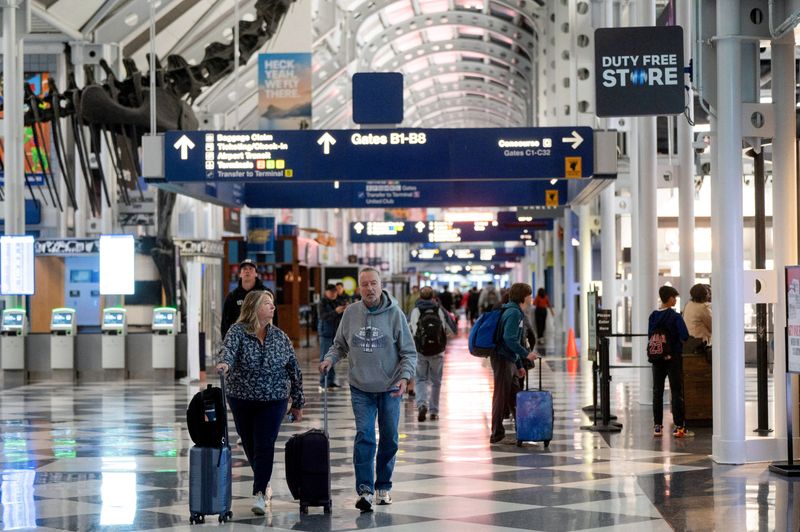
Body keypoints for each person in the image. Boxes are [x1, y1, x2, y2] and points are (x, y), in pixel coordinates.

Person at [319, 267, 417, 513]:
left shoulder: (396, 314)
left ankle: (383, 485)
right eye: (365, 284)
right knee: (364, 435)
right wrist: (330, 359)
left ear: (381, 284)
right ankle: (365, 490)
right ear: (359, 288)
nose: (370, 288)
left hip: (390, 387)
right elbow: (339, 345)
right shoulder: (351, 313)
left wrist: (404, 378)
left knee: (390, 438)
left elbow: (409, 353)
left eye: (373, 283)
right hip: (360, 386)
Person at [215, 290, 304, 515]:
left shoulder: (280, 337)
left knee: (265, 443)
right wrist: (224, 364)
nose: (273, 307)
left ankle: (260, 493)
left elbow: (294, 369)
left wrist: (297, 402)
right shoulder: (237, 331)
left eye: (272, 303)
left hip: (274, 399)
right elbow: (228, 351)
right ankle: (263, 482)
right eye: (267, 304)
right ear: (254, 307)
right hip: (241, 398)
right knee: (250, 444)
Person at [489, 283, 538, 444]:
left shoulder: (515, 311)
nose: (531, 298)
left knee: (515, 395)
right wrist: (526, 354)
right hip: (502, 360)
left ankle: (523, 428)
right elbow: (509, 338)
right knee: (501, 396)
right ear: (523, 297)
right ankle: (496, 432)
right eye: (530, 295)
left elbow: (513, 340)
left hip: (509, 359)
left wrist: (519, 365)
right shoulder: (513, 313)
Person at [649, 285, 691, 438]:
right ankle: (679, 426)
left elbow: (650, 336)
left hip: (657, 358)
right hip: (673, 358)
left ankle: (657, 426)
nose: (675, 300)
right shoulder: (675, 316)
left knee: (657, 392)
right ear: (670, 298)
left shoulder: (653, 315)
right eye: (675, 297)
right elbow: (685, 335)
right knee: (676, 391)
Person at [408, 286, 455, 422]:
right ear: (433, 296)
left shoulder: (416, 310)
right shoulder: (439, 309)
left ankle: (422, 404)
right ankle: (434, 411)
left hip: (420, 350)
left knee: (421, 379)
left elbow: (410, 329)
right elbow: (449, 328)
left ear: (420, 297)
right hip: (437, 351)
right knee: (436, 381)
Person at [221, 259, 267, 339]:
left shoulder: (265, 294)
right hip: (238, 341)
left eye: (250, 269)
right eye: (244, 269)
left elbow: (273, 318)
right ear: (240, 274)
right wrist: (226, 341)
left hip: (260, 340)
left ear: (256, 274)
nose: (247, 271)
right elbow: (225, 322)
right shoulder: (232, 297)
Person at [318, 283, 346, 389]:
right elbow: (323, 316)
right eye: (332, 292)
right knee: (324, 358)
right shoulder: (322, 303)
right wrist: (335, 311)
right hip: (326, 333)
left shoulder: (337, 302)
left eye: (335, 292)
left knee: (332, 358)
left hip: (335, 333)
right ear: (326, 292)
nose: (334, 294)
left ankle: (331, 381)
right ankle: (323, 382)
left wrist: (344, 309)